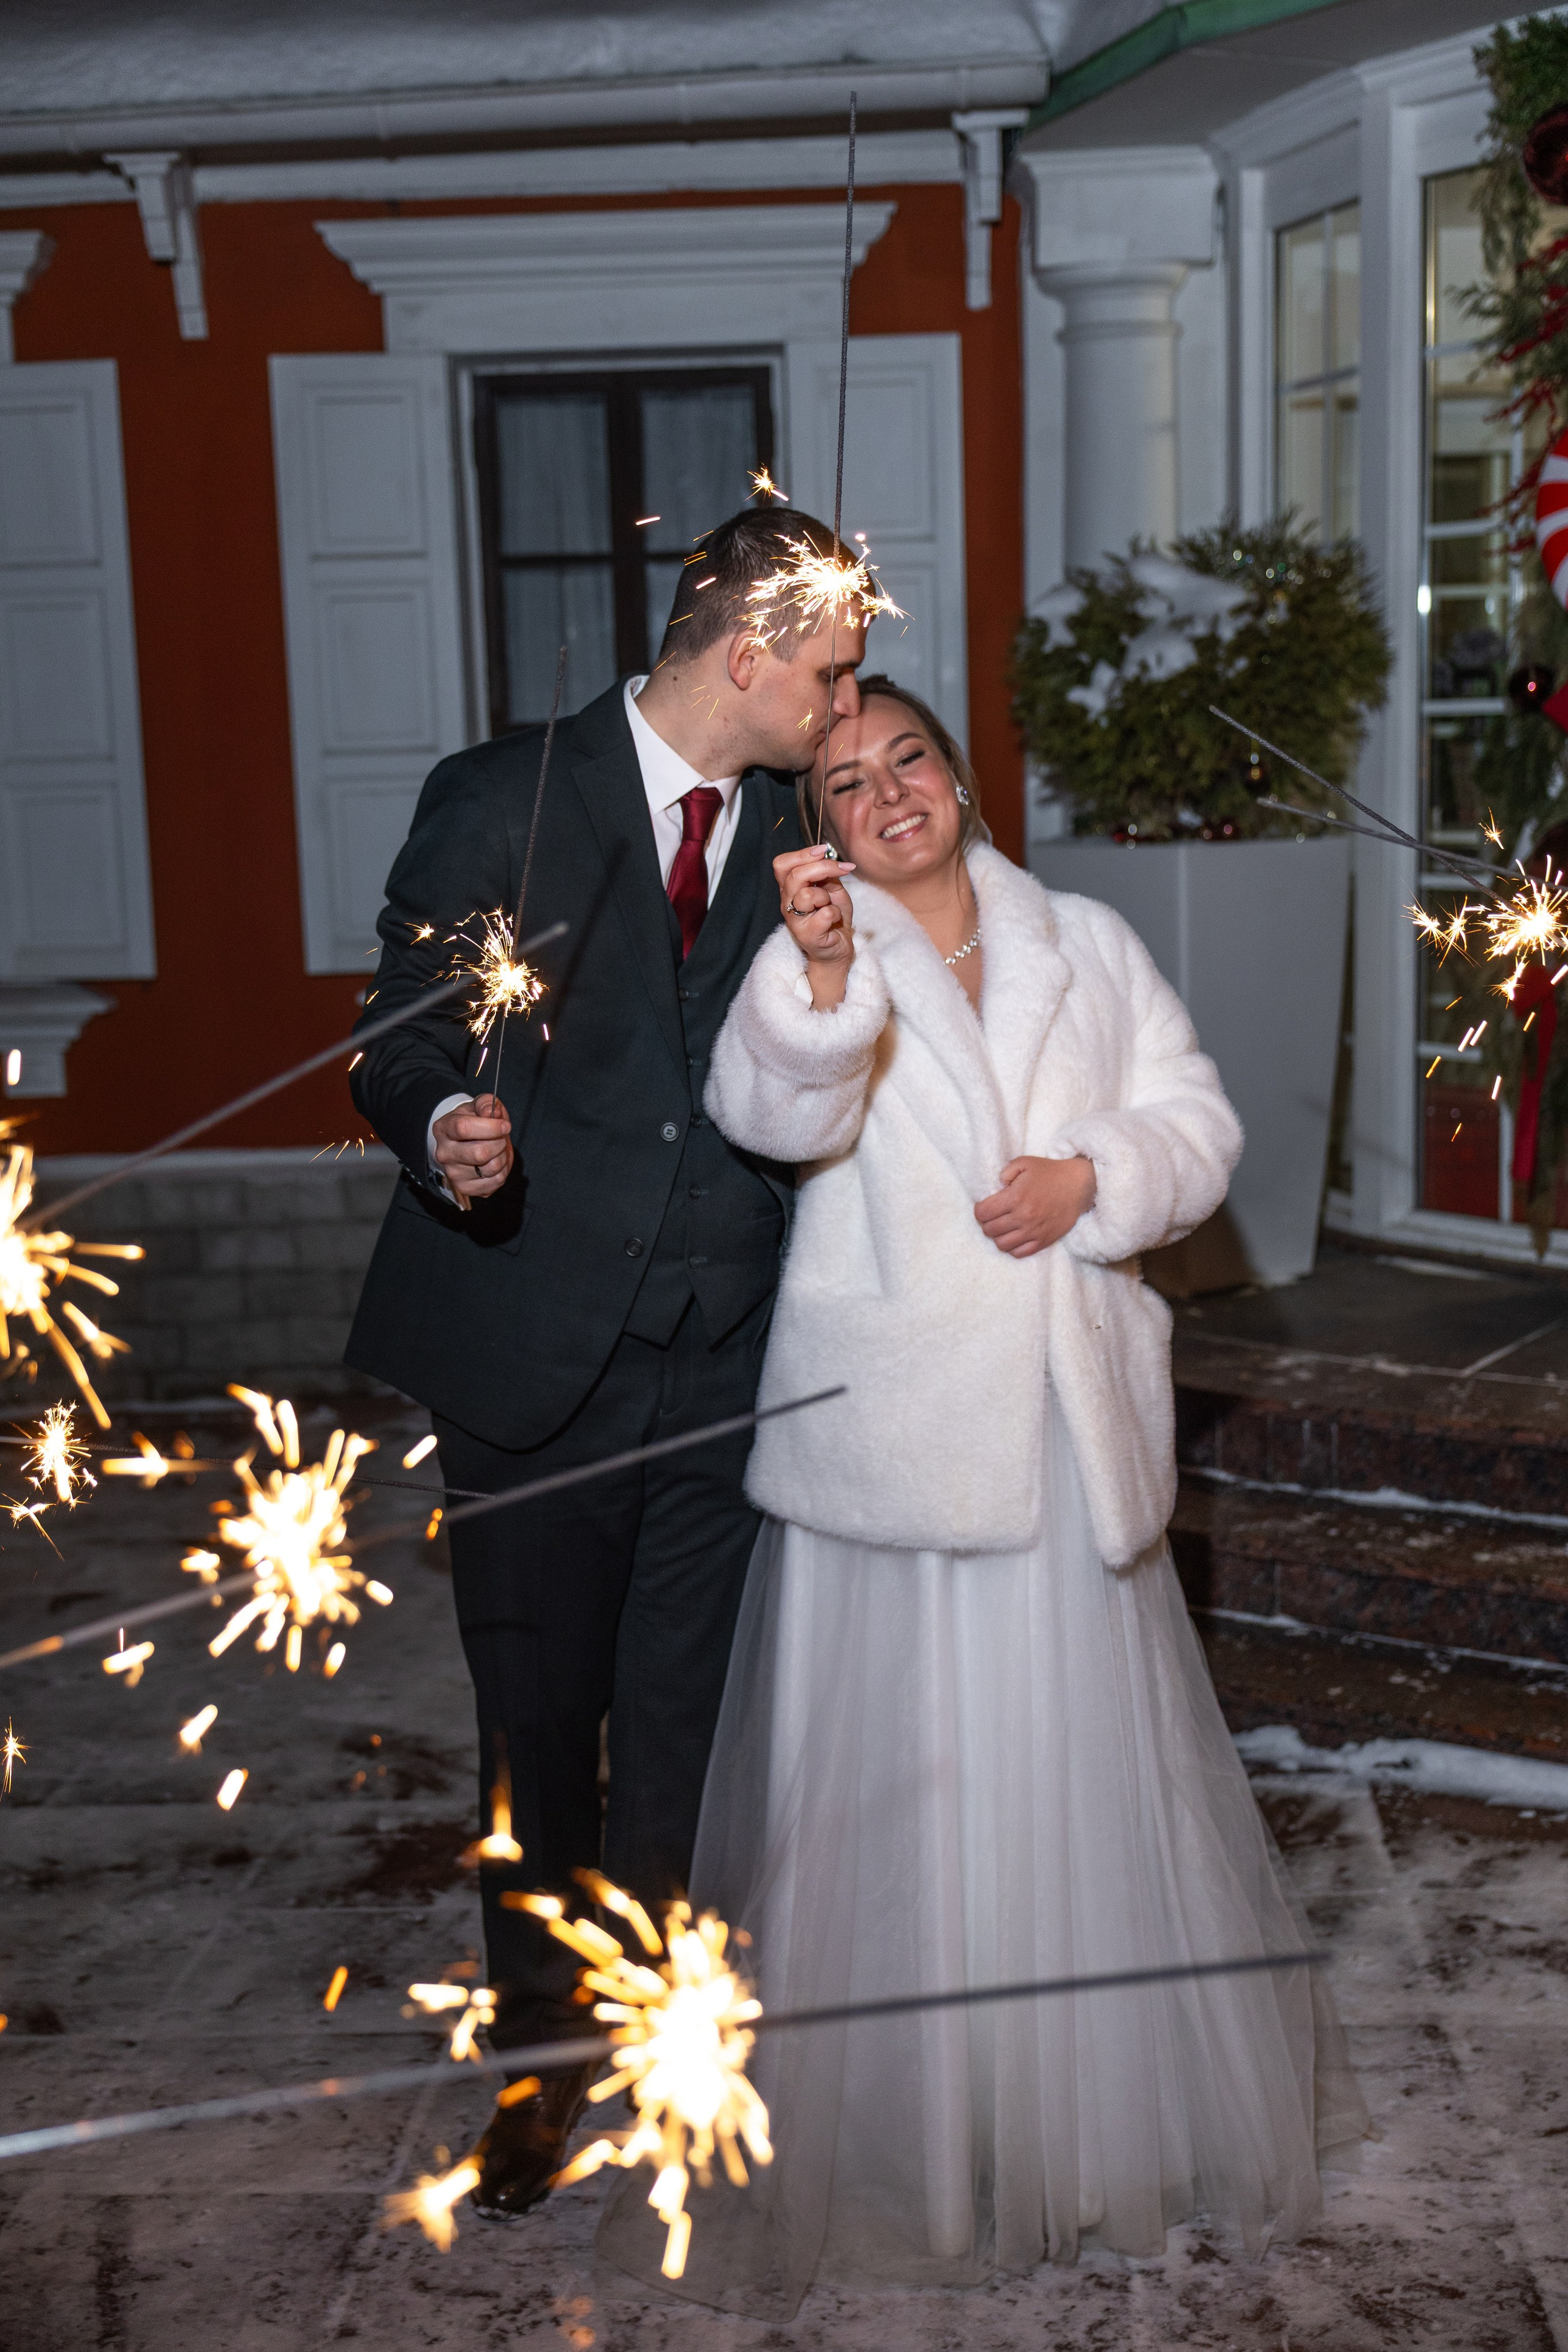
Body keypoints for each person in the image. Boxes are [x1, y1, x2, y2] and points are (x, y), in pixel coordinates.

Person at [598, 677, 1365, 2312]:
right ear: (817, 831)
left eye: (909, 762)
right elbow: (767, 1112)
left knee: (1077, 1799)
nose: (888, 798)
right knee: (905, 1813)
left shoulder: (1082, 936)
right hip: (891, 1454)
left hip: (1065, 1426)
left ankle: (1074, 2131)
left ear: (956, 775)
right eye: (849, 784)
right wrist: (815, 979)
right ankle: (912, 2146)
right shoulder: (817, 963)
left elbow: (1201, 1122)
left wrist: (1097, 1180)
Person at [344, 505, 869, 2217]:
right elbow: (396, 1038)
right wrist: (443, 1126)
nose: (846, 700)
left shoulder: (809, 814)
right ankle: (539, 2073)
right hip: (529, 1355)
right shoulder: (503, 796)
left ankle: (669, 2054)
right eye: (831, 667)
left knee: (684, 1736)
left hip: (730, 1357)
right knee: (536, 1738)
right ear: (747, 651)